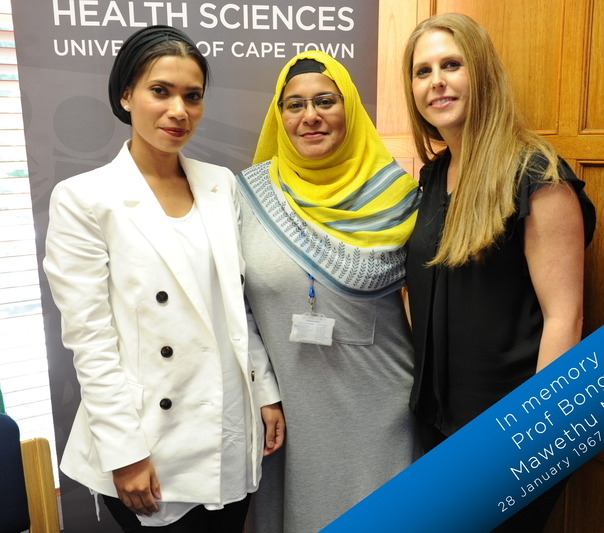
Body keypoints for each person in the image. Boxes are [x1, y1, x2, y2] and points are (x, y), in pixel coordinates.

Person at [43, 25, 284, 532]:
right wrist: (124, 452)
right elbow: (89, 340)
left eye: (192, 96)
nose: (179, 110)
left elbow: (235, 306)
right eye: (161, 91)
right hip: (147, 441)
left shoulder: (220, 184)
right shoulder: (84, 198)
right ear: (126, 95)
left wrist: (264, 392)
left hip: (227, 430)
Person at [402, 14, 596, 532]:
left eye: (451, 64)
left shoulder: (538, 176)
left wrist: (530, 434)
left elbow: (565, 317)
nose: (436, 81)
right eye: (422, 71)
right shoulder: (435, 175)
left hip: (512, 433)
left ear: (483, 73)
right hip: (439, 424)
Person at [236, 51, 420, 533]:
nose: (310, 116)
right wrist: (262, 390)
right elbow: (235, 308)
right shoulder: (247, 194)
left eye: (324, 101)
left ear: (350, 109)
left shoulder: (401, 196)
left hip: (381, 413)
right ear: (279, 117)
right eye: (294, 105)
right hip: (289, 416)